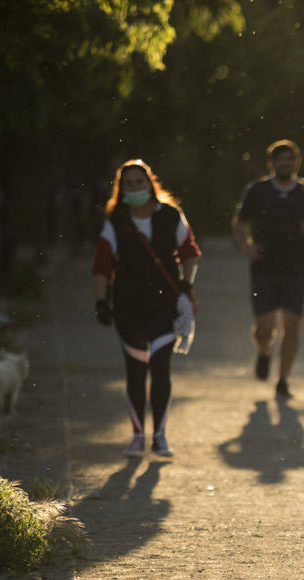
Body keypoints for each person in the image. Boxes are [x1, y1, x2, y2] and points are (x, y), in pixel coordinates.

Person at [91, 159, 201, 458]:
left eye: (140, 182)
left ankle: (160, 435)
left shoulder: (171, 215)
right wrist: (101, 301)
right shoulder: (116, 223)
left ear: (150, 183)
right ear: (121, 189)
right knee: (136, 372)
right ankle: (138, 435)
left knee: (161, 367)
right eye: (128, 184)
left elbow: (190, 252)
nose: (135, 187)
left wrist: (186, 284)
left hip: (165, 305)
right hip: (128, 306)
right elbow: (102, 265)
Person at [233, 139, 304, 401]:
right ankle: (264, 351)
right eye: (280, 159)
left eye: (290, 159)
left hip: (296, 269)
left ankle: (283, 380)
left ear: (297, 163)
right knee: (264, 327)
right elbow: (240, 223)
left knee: (292, 327)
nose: (285, 164)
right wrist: (246, 247)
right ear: (271, 163)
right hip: (263, 267)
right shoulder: (258, 190)